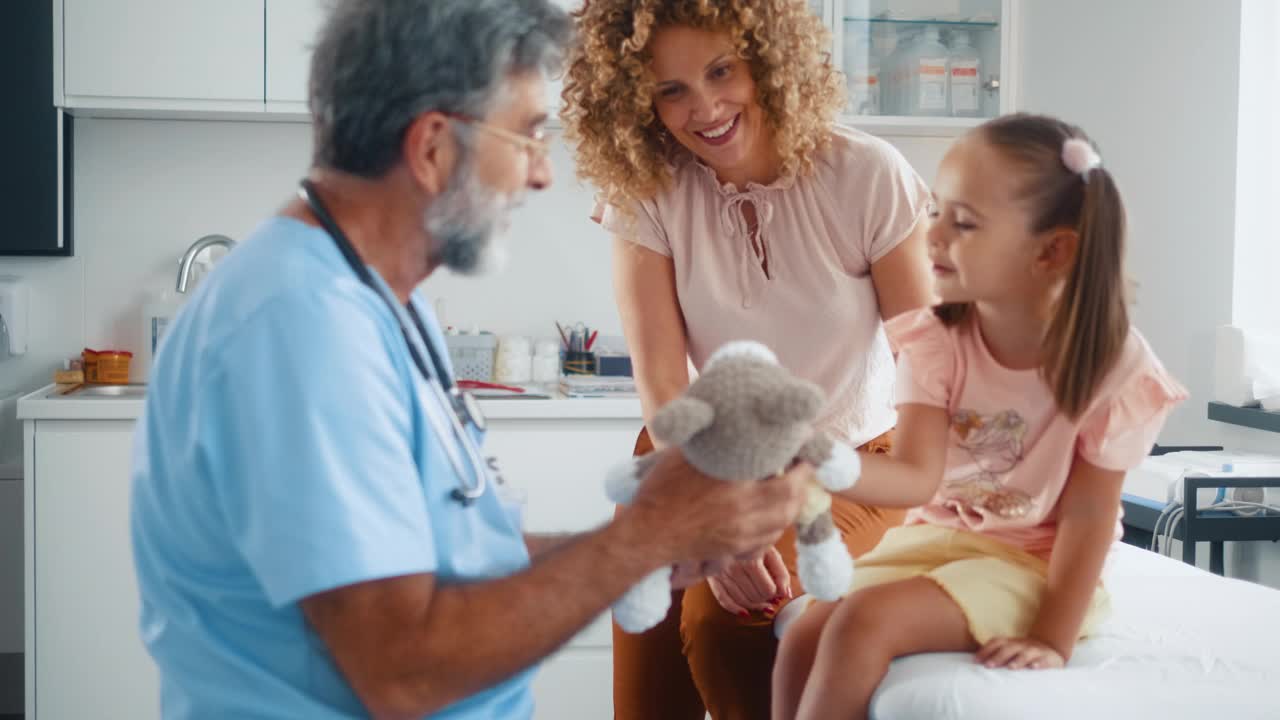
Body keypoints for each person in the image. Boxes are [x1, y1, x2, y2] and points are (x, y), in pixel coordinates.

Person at [128, 1, 809, 718]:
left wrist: (656, 552)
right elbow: (403, 671)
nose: (543, 175)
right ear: (432, 148)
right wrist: (648, 534)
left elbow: (450, 563)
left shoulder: (382, 299)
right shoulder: (302, 329)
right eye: (526, 136)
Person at [560, 1, 935, 717]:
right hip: (692, 451)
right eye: (670, 90)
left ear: (769, 58)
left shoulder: (866, 175)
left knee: (728, 618)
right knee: (646, 663)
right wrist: (715, 511)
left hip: (842, 459)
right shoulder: (649, 190)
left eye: (721, 70)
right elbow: (665, 384)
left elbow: (928, 366)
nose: (704, 108)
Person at [770, 113, 1189, 720]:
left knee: (863, 622)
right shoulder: (938, 339)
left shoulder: (1111, 366)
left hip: (1031, 565)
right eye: (935, 211)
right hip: (939, 539)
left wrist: (1052, 637)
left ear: (1053, 250)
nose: (932, 235)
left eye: (962, 223)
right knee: (806, 633)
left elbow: (1090, 514)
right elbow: (915, 474)